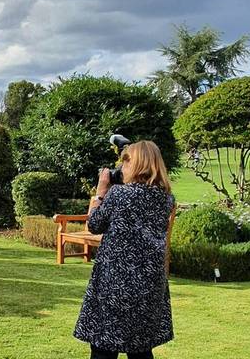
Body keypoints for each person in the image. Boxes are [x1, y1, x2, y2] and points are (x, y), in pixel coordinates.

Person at [73, 140, 176, 359]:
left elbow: (93, 225)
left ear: (136, 164)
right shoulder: (166, 199)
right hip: (149, 284)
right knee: (140, 348)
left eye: (125, 163)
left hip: (116, 282)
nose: (122, 168)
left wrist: (101, 192)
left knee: (103, 346)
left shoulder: (119, 195)